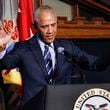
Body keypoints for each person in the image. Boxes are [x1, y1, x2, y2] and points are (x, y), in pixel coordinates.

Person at [0, 5, 108, 108]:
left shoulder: (67, 47)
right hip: (33, 107)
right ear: (35, 27)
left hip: (63, 105)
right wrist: (2, 48)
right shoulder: (24, 48)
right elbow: (4, 63)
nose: (50, 31)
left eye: (53, 25)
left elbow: (95, 64)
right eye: (44, 26)